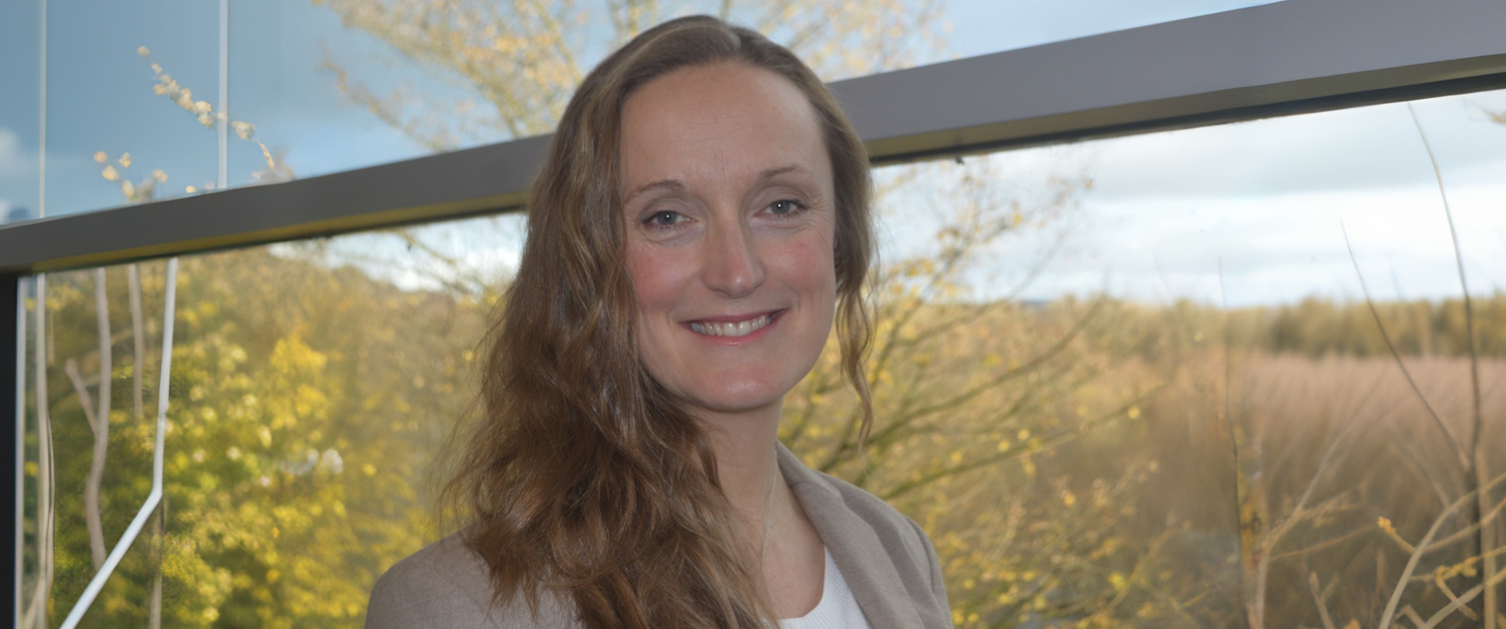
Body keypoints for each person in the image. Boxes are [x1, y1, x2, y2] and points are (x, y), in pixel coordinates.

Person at [365, 15, 951, 629]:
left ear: (842, 241)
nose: (736, 271)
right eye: (667, 217)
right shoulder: (457, 606)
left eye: (781, 206)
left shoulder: (898, 550)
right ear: (587, 265)